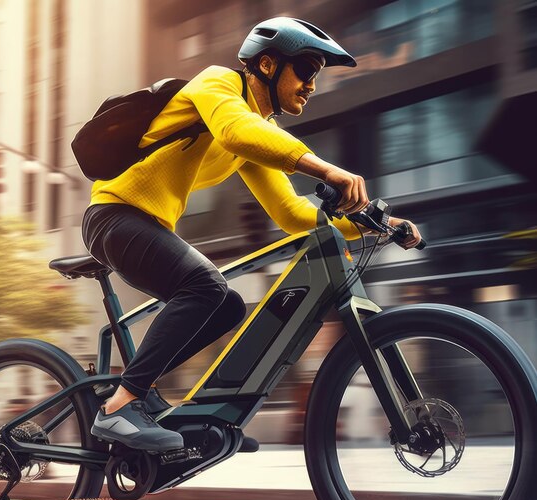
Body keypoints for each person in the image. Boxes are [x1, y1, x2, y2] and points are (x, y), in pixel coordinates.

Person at [82, 17, 422, 452]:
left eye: (315, 76)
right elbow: (235, 131)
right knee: (205, 286)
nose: (312, 86)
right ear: (266, 64)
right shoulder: (216, 84)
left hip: (145, 225)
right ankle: (120, 407)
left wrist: (377, 224)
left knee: (226, 306)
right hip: (113, 216)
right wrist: (326, 168)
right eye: (306, 71)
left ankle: (145, 393)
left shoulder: (262, 135)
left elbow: (293, 212)